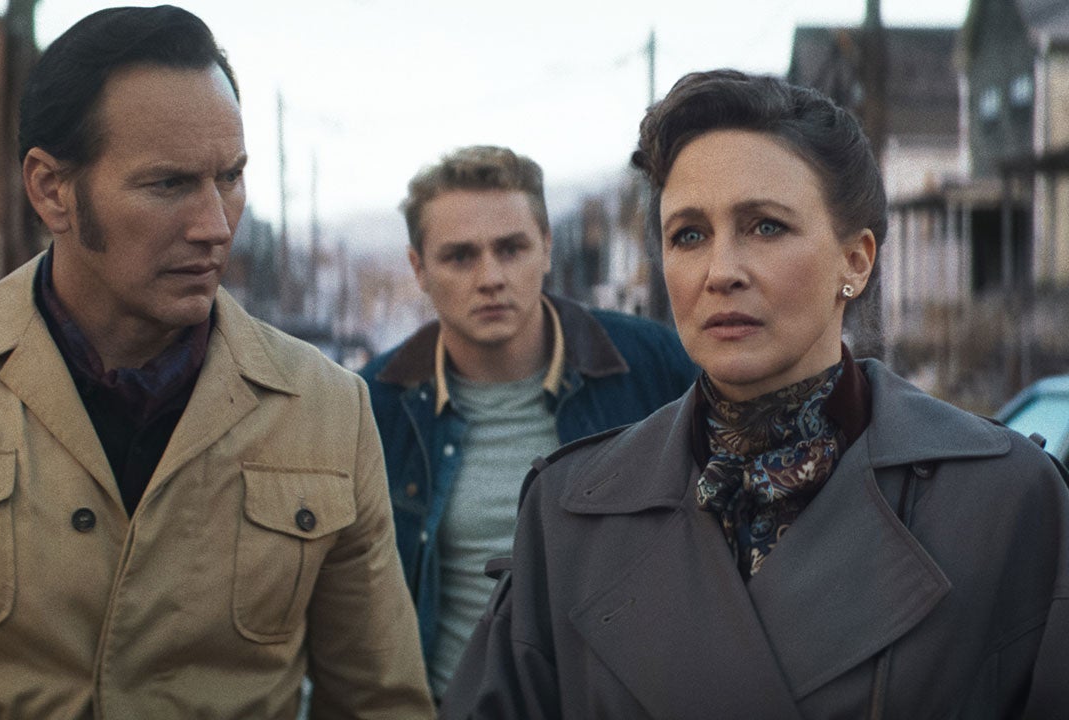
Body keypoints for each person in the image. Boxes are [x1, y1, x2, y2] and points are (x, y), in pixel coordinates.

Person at [0, 6, 432, 718]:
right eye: (169, 185)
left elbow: (380, 703)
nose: (216, 225)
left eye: (230, 177)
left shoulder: (327, 412)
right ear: (51, 190)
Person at [441, 70, 1069, 718]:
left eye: (765, 227)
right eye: (689, 235)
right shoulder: (571, 517)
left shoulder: (1004, 505)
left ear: (855, 261)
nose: (721, 272)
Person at [359, 145, 697, 699]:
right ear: (419, 269)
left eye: (511, 248)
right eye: (460, 257)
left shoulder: (653, 366)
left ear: (546, 247)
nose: (490, 277)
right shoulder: (375, 404)